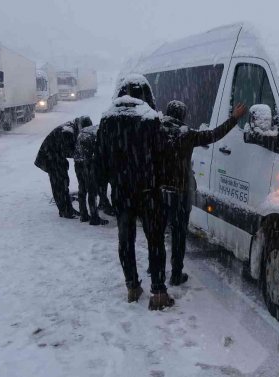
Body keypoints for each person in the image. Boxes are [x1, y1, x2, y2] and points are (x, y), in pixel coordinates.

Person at [97, 73, 174, 310]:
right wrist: (161, 184)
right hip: (149, 192)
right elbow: (163, 158)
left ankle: (132, 287)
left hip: (121, 192)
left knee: (126, 240)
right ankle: (159, 292)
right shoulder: (151, 119)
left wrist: (104, 190)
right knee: (155, 242)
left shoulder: (108, 120)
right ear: (146, 94)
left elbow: (99, 160)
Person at [160, 100, 247, 285]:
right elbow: (214, 135)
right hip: (181, 192)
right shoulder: (187, 134)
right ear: (183, 116)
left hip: (159, 192)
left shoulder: (155, 132)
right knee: (178, 235)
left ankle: (157, 271)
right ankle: (176, 274)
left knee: (158, 233)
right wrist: (234, 119)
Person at [34, 118, 85, 218]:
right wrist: (80, 154)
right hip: (50, 159)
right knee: (59, 185)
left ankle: (68, 209)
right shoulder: (67, 132)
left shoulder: (71, 128)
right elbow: (67, 151)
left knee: (64, 183)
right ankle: (65, 211)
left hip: (55, 158)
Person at [74, 117, 109, 226]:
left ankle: (84, 215)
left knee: (82, 187)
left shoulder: (82, 132)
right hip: (89, 161)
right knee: (92, 189)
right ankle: (94, 218)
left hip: (78, 161)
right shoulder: (99, 131)